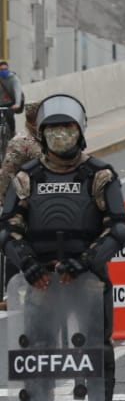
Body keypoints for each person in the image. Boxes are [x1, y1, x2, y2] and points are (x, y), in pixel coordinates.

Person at [0, 94, 125, 401]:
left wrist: (86, 260)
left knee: (98, 360)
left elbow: (120, 228)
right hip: (42, 282)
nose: (61, 137)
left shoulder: (99, 175)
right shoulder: (28, 177)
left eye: (67, 129)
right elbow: (8, 230)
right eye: (53, 130)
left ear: (80, 131)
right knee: (36, 360)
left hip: (87, 281)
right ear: (41, 135)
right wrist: (27, 264)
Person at [0, 103, 44, 311]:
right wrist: (8, 203)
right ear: (30, 122)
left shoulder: (50, 139)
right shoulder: (21, 143)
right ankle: (12, 293)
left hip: (46, 203)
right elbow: (7, 173)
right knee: (14, 246)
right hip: (23, 203)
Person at [0, 60, 23, 153]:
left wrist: (17, 104)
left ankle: (12, 134)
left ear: (8, 69)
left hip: (10, 104)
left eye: (5, 69)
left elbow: (18, 91)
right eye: (1, 70)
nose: (4, 71)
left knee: (10, 118)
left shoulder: (13, 78)